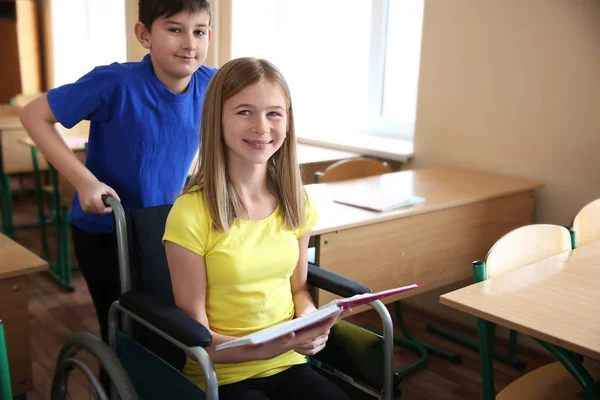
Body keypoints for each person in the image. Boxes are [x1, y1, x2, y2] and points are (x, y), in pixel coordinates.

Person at [20, 0, 216, 344]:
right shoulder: (115, 82)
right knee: (121, 332)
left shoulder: (213, 85)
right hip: (106, 228)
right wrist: (85, 181)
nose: (189, 43)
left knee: (165, 331)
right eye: (174, 29)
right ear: (144, 35)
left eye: (199, 31)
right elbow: (33, 115)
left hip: (167, 229)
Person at [162, 57, 352, 399]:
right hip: (221, 375)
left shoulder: (297, 201)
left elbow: (299, 290)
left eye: (274, 113)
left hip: (290, 364)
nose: (262, 127)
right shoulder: (190, 213)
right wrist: (262, 349)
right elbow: (197, 335)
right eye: (244, 112)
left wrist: (310, 322)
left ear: (288, 121)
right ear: (217, 119)